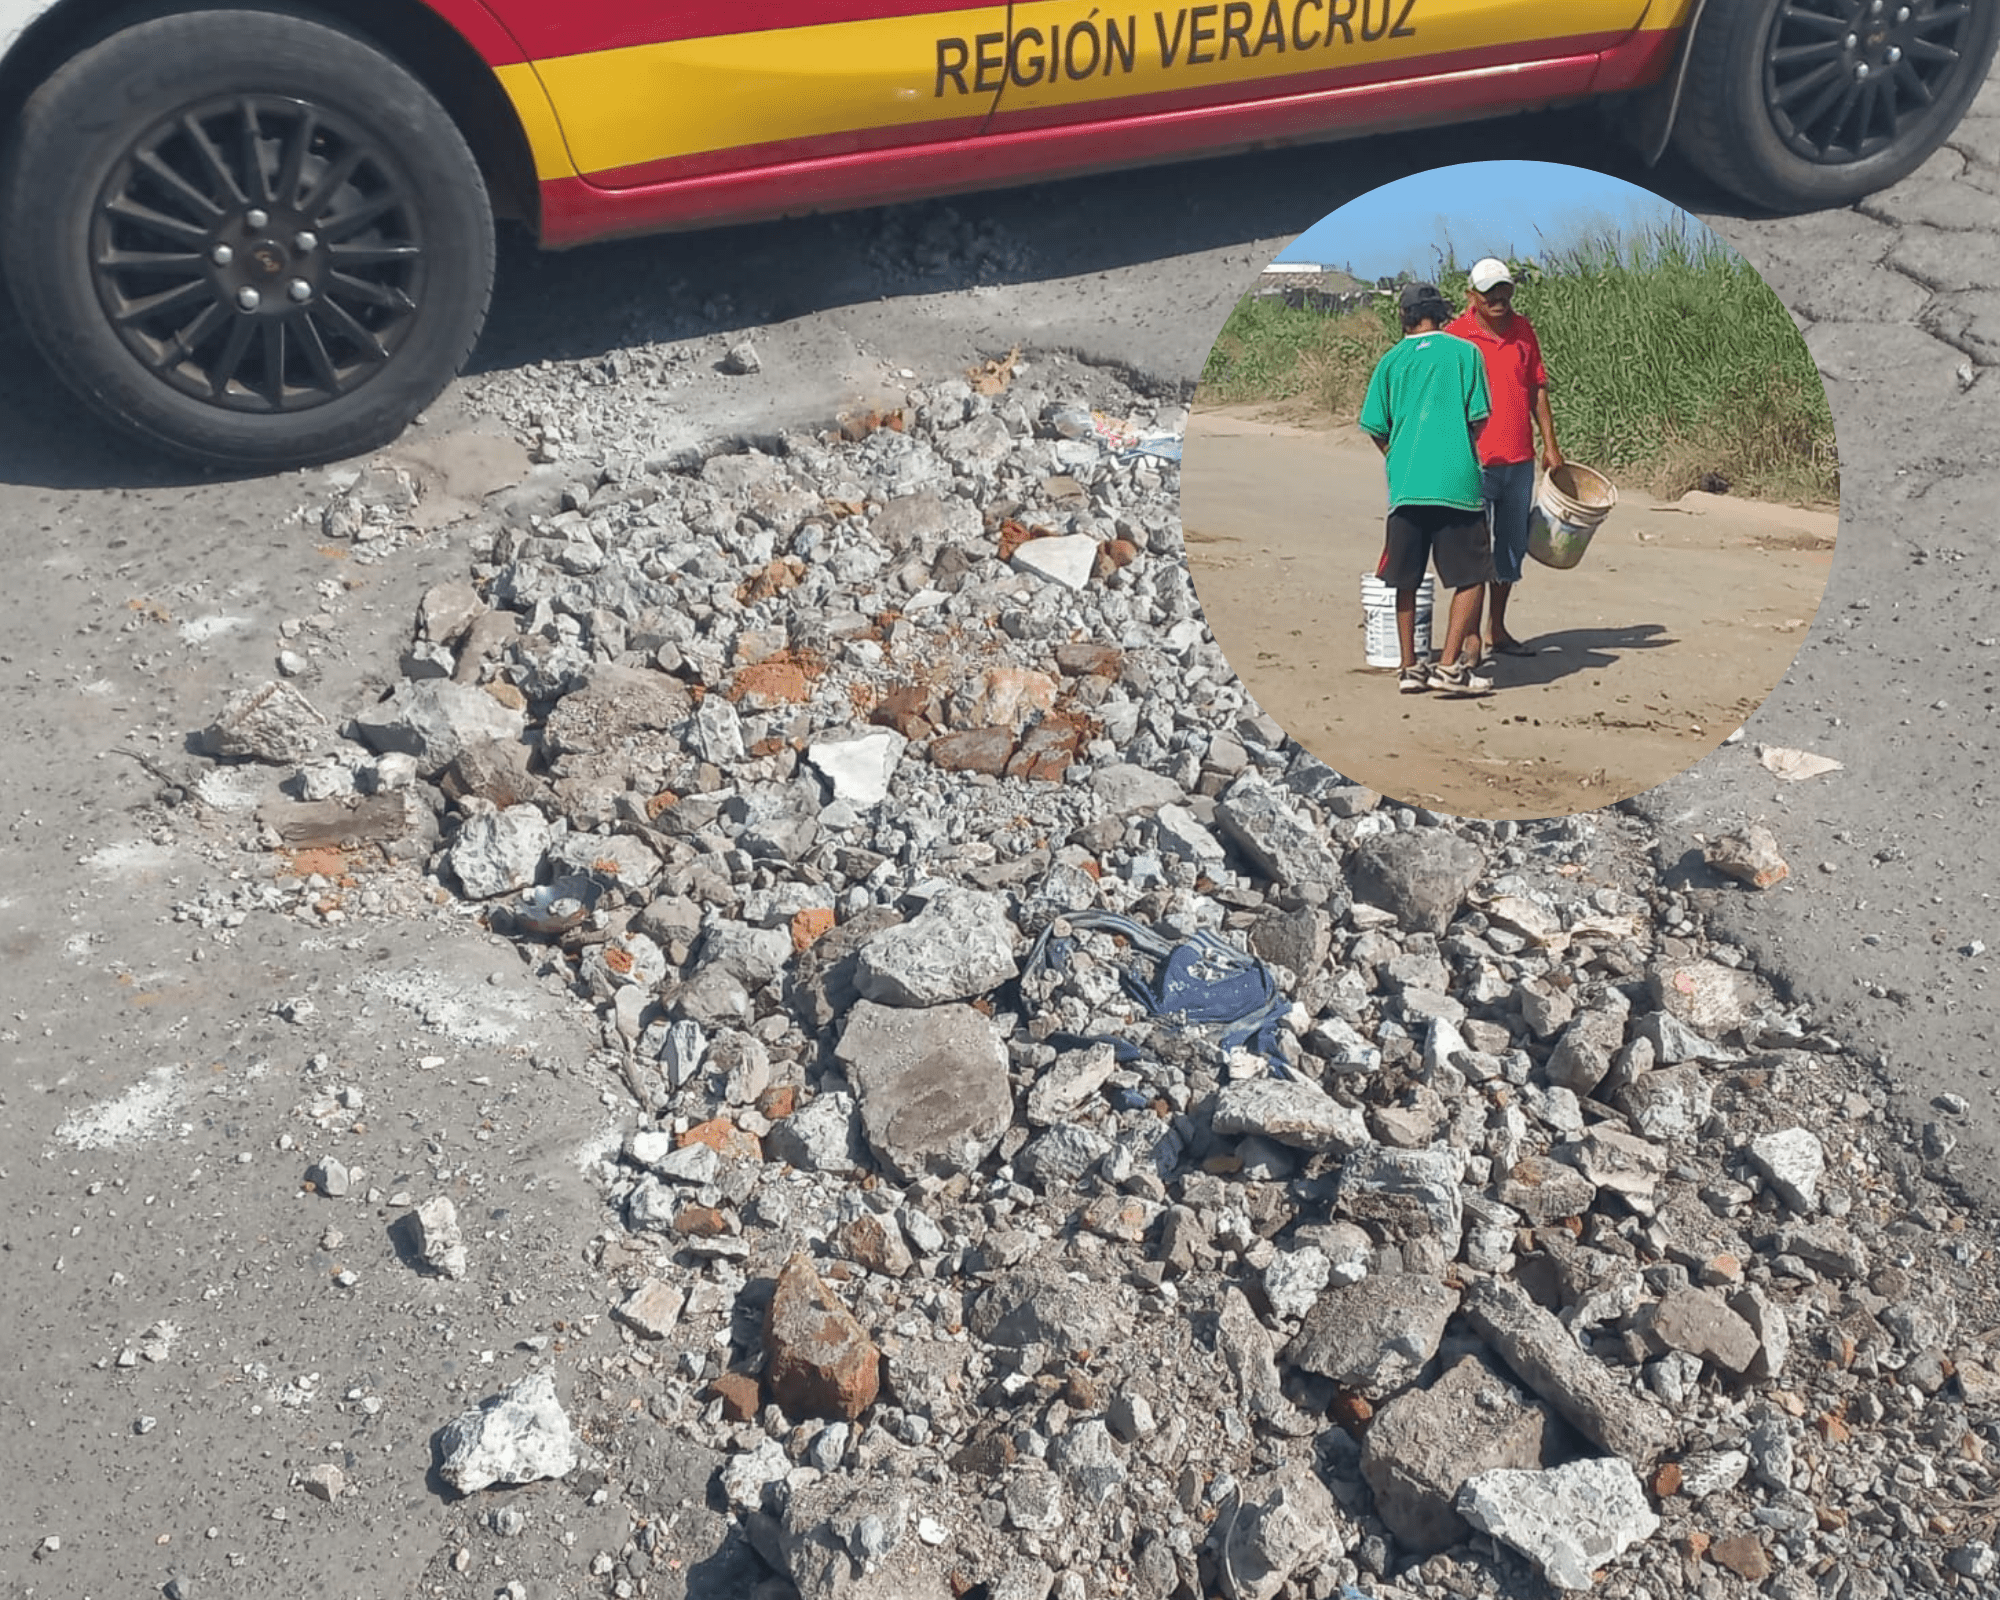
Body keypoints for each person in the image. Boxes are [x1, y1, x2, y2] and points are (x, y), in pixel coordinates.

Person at [1357, 281, 1494, 697]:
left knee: (1405, 577)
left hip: (1407, 484)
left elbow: (1375, 426)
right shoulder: (1465, 352)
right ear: (1442, 314)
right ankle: (1448, 666)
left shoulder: (1390, 361)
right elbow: (1479, 418)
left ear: (1404, 318)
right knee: (1471, 576)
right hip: (1457, 481)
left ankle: (1409, 667)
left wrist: (1401, 457)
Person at [1446, 257, 1563, 658]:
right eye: (1490, 291)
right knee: (1474, 551)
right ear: (1471, 295)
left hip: (1519, 459)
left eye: (1505, 289)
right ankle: (1470, 633)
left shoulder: (1524, 330)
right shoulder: (1456, 337)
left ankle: (1498, 628)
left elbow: (1538, 389)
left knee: (1510, 548)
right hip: (1474, 462)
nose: (1499, 298)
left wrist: (1551, 445)